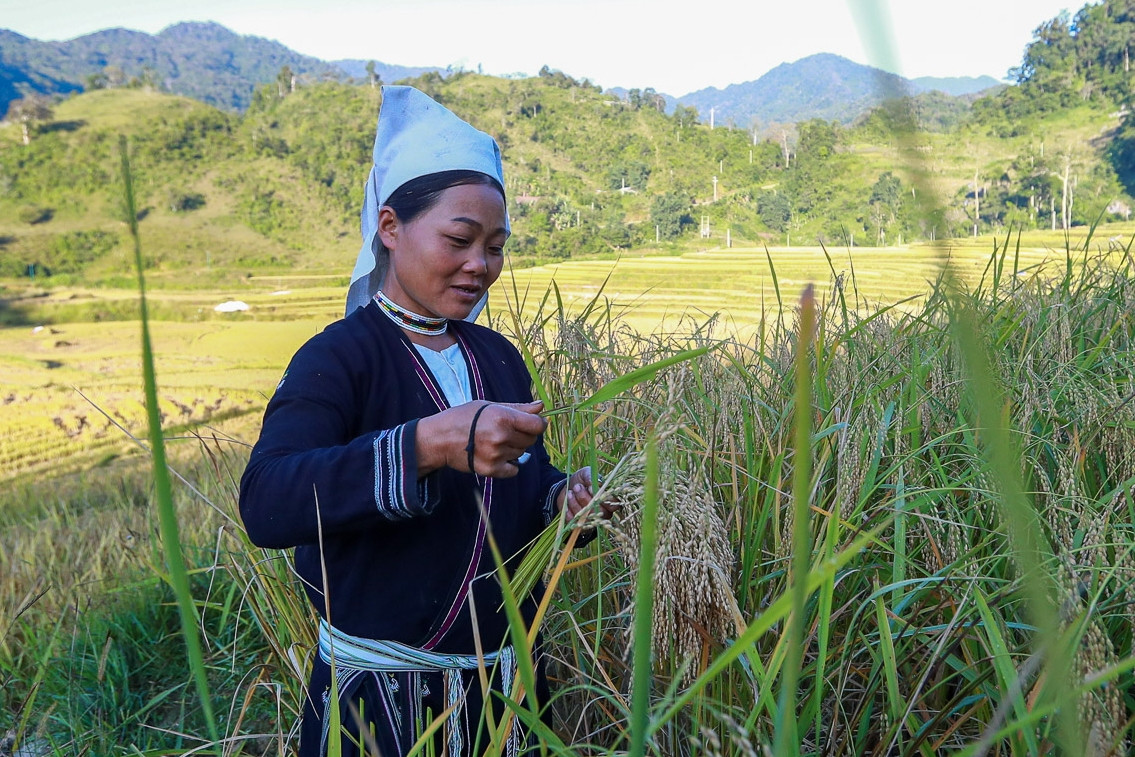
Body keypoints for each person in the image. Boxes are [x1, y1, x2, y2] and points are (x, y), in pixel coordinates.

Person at [238, 85, 609, 757]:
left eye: (495, 246)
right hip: (376, 707)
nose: (480, 265)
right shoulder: (339, 357)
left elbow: (523, 487)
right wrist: (427, 444)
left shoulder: (496, 357)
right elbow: (266, 501)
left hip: (506, 695)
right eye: (460, 240)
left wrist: (563, 500)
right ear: (389, 227)